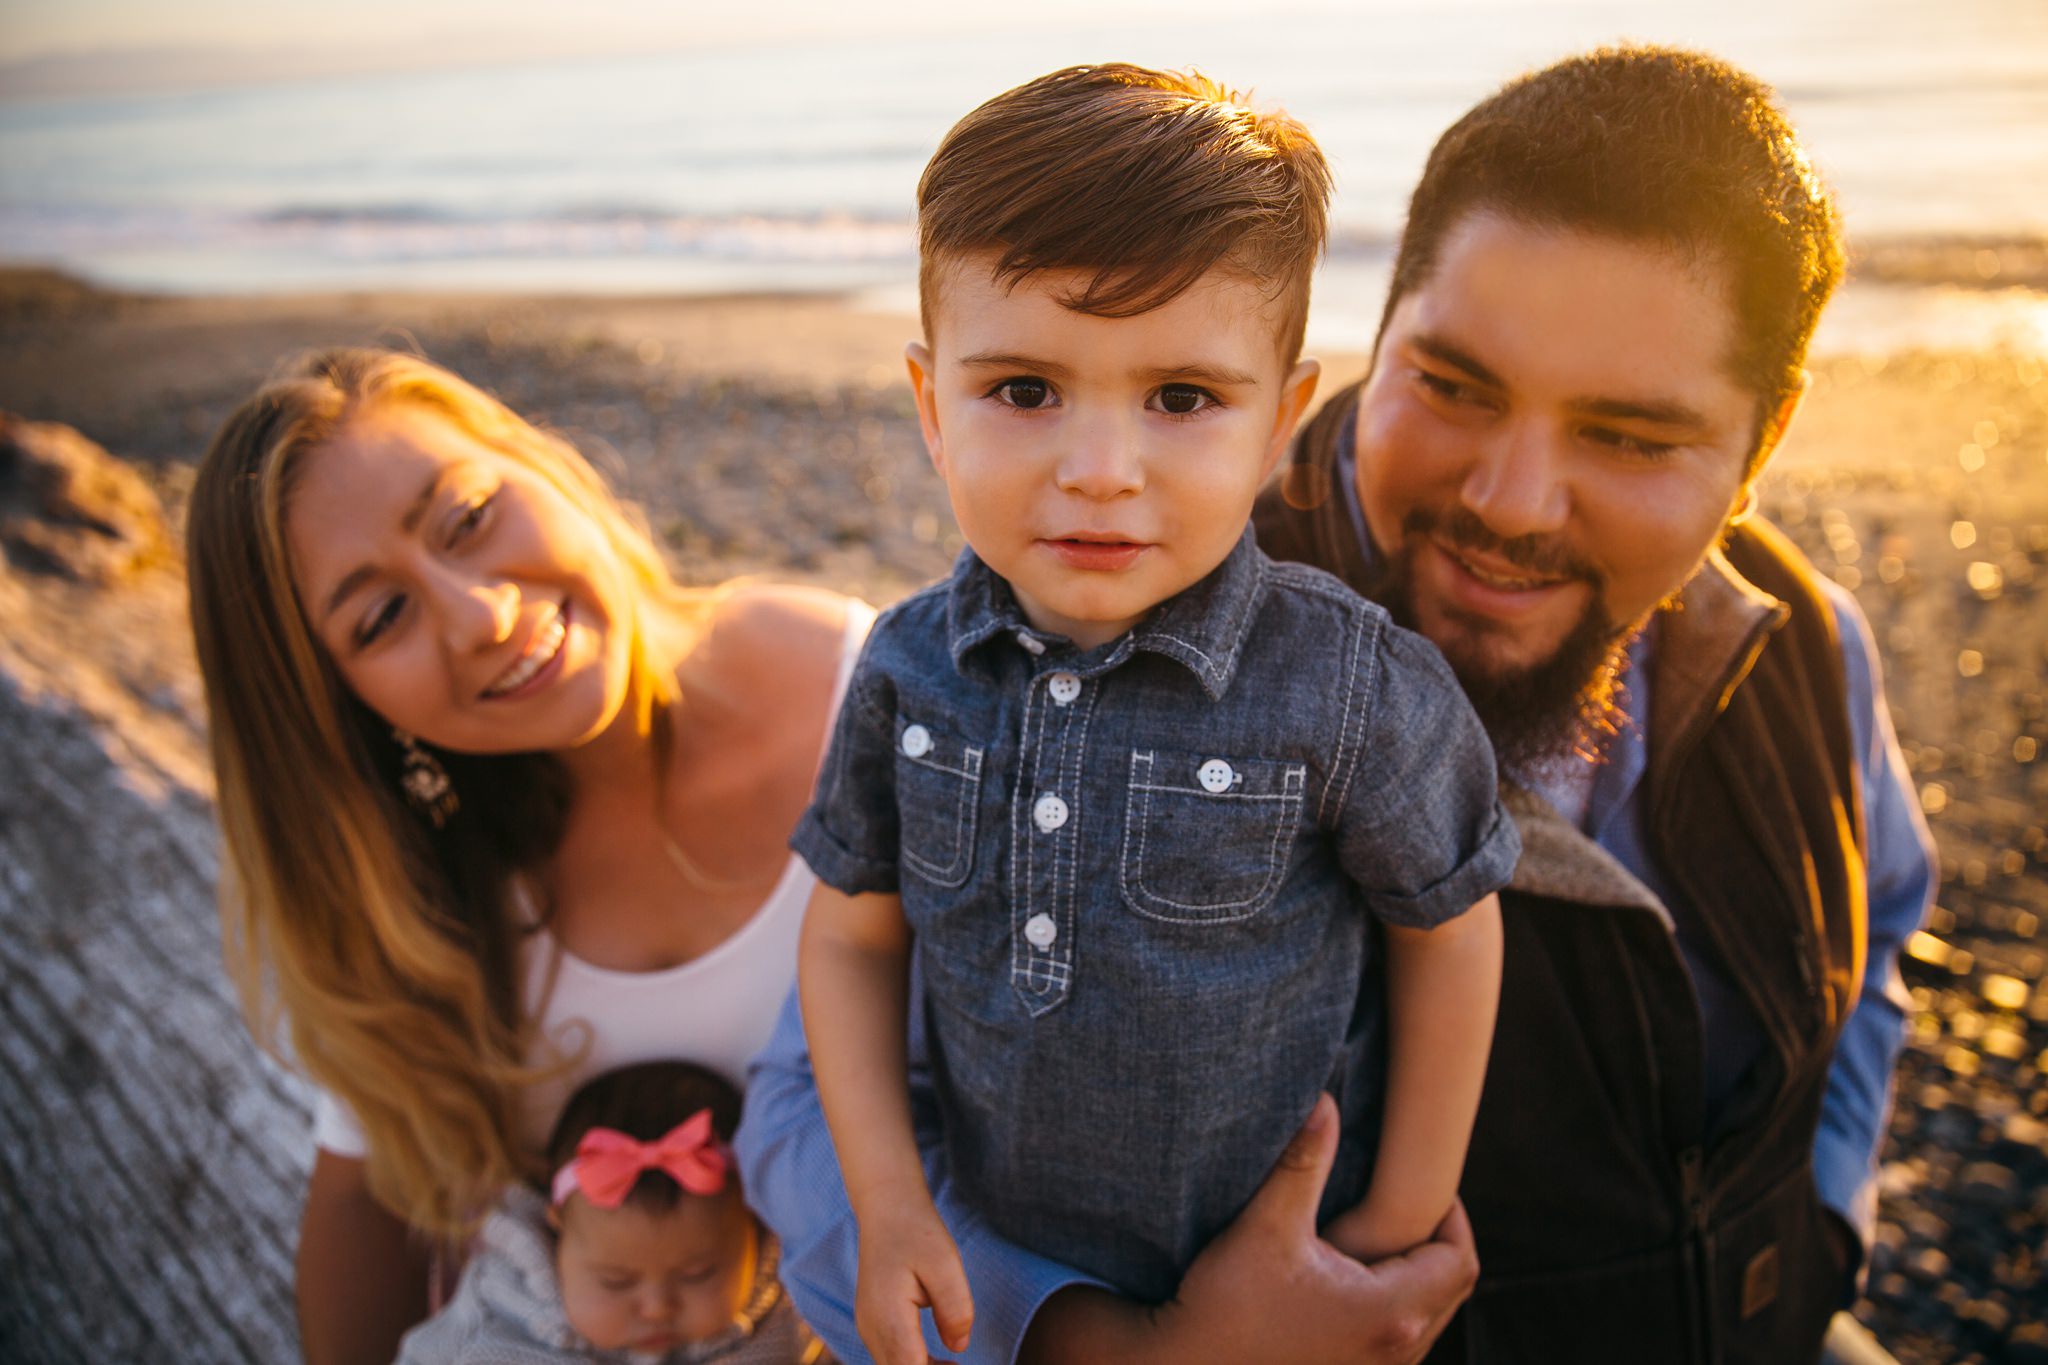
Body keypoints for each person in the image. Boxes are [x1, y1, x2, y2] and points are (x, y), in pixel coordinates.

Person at [739, 45, 1931, 1365]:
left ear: (1763, 444)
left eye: (1630, 436)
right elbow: (799, 1111)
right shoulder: (1076, 628)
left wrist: (1827, 1227)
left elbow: (1880, 933)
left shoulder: (1807, 637)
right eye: (1454, 385)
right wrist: (1118, 1350)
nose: (1510, 501)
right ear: (1376, 340)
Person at [789, 64, 1516, 1365]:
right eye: (1023, 390)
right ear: (930, 406)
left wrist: (1391, 1231)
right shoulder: (907, 670)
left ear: (1282, 420)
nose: (1100, 470)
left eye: (1182, 399)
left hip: (1287, 1284)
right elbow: (849, 944)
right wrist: (888, 1200)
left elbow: (1452, 932)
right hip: (1007, 1272)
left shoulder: (1343, 681)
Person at [187, 348, 868, 1365]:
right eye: (381, 618)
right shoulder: (414, 902)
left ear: (536, 464)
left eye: (466, 518)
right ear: (340, 708)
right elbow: (366, 1199)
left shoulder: (855, 685)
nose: (481, 615)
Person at [396, 1060, 825, 1363]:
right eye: (615, 1282)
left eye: (698, 1274)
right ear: (557, 1230)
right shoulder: (496, 1320)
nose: (657, 1308)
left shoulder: (788, 1313)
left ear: (753, 1227)